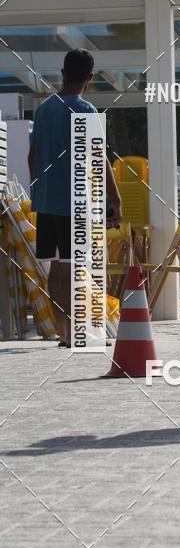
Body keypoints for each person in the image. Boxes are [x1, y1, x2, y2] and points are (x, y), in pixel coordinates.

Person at [28, 49, 122, 347]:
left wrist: (42, 190)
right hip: (76, 203)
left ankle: (64, 332)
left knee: (57, 266)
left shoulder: (44, 110)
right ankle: (82, 332)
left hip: (46, 203)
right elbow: (98, 158)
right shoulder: (85, 110)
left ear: (62, 72)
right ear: (90, 78)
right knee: (79, 266)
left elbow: (32, 157)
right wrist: (114, 199)